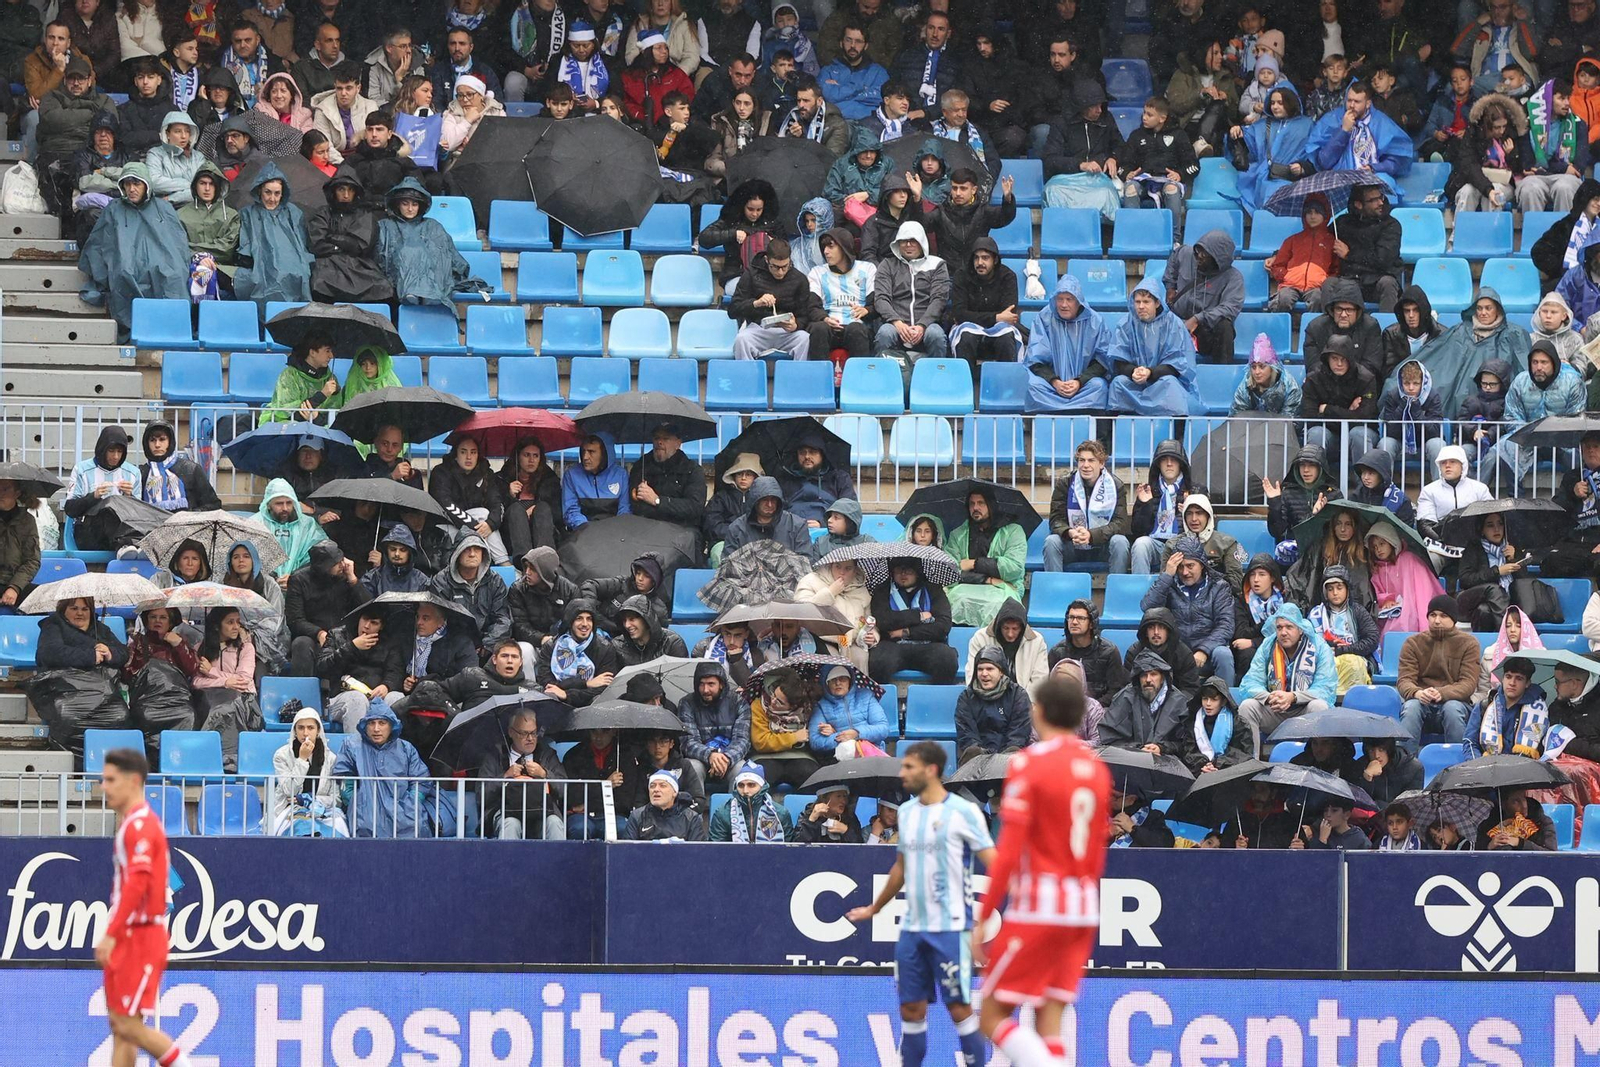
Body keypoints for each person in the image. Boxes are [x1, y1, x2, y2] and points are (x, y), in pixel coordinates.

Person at [967, 676, 1108, 1065]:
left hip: (1041, 905)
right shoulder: (1096, 770)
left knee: (991, 1014)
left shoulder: (1030, 764)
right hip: (1082, 906)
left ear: (1038, 712)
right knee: (1049, 1020)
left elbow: (1009, 850)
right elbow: (1097, 850)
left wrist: (984, 915)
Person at [846, 740, 994, 1067]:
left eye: (909, 767)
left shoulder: (963, 812)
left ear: (931, 770)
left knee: (958, 1008)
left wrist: (983, 921)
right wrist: (875, 908)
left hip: (951, 928)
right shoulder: (908, 813)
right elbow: (901, 867)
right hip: (912, 930)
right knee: (911, 1009)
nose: (903, 773)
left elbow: (995, 864)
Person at [93, 749, 198, 1066]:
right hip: (132, 935)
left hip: (140, 936)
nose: (104, 787)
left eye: (111, 780)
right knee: (120, 1027)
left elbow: (138, 882)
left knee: (128, 1025)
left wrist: (112, 933)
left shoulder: (140, 825)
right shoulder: (133, 823)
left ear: (133, 780)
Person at [77, 163, 187, 337]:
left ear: (146, 185)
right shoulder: (114, 209)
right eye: (127, 184)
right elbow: (99, 242)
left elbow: (177, 242)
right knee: (124, 273)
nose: (132, 189)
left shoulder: (163, 208)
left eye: (137, 184)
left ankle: (172, 331)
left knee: (174, 275)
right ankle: (136, 328)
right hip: (126, 262)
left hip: (162, 262)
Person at [1140, 535, 1237, 686]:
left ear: (1202, 565)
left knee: (1223, 654)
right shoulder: (1169, 585)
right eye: (1180, 566)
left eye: (1190, 566)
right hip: (1176, 651)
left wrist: (1204, 650)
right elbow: (1148, 609)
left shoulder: (1219, 586)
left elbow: (1226, 625)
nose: (1185, 572)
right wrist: (1167, 575)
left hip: (1208, 652)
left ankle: (1226, 698)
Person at [1237, 604, 1338, 741]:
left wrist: (1293, 697)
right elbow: (1251, 681)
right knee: (1247, 706)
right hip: (1274, 709)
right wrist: (1269, 697)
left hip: (1304, 710)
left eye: (1289, 627)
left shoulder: (1319, 646)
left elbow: (1325, 687)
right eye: (1279, 627)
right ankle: (1251, 755)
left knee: (1319, 706)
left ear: (1300, 629)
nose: (1283, 632)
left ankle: (1314, 754)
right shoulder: (1268, 645)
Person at [376, 177, 482, 305]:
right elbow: (382, 256)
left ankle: (426, 291)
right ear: (398, 204)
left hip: (431, 275)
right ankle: (416, 291)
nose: (410, 209)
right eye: (405, 204)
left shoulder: (433, 225)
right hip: (398, 276)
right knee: (408, 252)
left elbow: (447, 254)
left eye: (414, 204)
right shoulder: (386, 226)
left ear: (420, 206)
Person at [1397, 595, 1481, 753]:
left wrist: (1441, 693)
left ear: (1453, 619)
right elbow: (1404, 680)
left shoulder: (1469, 644)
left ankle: (1461, 762)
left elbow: (1468, 683)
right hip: (1422, 702)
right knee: (1411, 707)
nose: (1437, 620)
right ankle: (1404, 760)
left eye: (1443, 616)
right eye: (1433, 615)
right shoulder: (1412, 643)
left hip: (1455, 703)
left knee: (1452, 709)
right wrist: (1417, 692)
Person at [1106, 285, 1199, 418]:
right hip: (1134, 381)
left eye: (1146, 302)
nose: (1141, 306)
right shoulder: (1125, 323)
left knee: (1171, 383)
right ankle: (1114, 431)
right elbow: (1119, 359)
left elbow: (1178, 364)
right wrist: (1133, 371)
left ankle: (1178, 431)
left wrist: (1150, 372)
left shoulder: (1173, 324)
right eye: (1137, 302)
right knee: (1118, 382)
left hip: (1162, 381)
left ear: (1157, 303)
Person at [1021, 274, 1109, 413]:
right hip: (1052, 386)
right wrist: (1055, 382)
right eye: (1060, 299)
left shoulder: (1095, 321)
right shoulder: (1044, 318)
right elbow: (1036, 361)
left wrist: (1079, 381)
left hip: (1083, 386)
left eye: (1069, 299)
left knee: (1098, 386)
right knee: (1035, 386)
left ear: (1078, 301)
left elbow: (1102, 361)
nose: (1063, 305)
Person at [305, 165, 392, 303]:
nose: (346, 195)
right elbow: (317, 244)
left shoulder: (364, 214)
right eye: (341, 189)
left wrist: (332, 238)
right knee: (320, 282)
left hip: (359, 266)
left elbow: (360, 246)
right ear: (334, 191)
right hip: (328, 264)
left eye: (350, 190)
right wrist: (343, 245)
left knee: (382, 286)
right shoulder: (323, 213)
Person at [728, 237, 825, 361]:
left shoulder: (799, 279)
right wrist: (756, 303)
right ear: (766, 260)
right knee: (741, 339)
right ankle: (747, 373)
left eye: (785, 266)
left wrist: (796, 325)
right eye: (775, 267)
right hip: (758, 328)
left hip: (788, 333)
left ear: (790, 260)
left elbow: (805, 314)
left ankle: (799, 373)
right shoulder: (751, 274)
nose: (780, 272)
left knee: (804, 338)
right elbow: (733, 310)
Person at [1041, 79, 1124, 220]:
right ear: (1082, 106)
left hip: (1098, 179)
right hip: (1065, 179)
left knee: (1108, 194)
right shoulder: (1061, 123)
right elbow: (1050, 160)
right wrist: (1081, 165)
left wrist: (1113, 158)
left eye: (1101, 105)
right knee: (1052, 192)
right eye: (1094, 106)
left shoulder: (1106, 119)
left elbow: (1120, 146)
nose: (1099, 110)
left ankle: (1103, 231)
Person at [1042, 438, 1129, 573]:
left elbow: (1120, 524)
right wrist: (1069, 532)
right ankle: (1054, 585)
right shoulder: (1065, 484)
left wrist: (1091, 535)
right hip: (1073, 544)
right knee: (1051, 541)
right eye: (1082, 460)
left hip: (1102, 546)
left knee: (1120, 541)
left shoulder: (1116, 486)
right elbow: (1056, 520)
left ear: (1101, 464)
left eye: (1091, 460)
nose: (1085, 465)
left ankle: (1118, 585)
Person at [945, 483, 1025, 628]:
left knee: (998, 605)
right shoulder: (957, 534)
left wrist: (974, 564)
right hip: (964, 588)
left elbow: (1014, 568)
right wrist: (988, 579)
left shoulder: (1014, 531)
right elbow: (948, 573)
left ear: (991, 505)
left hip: (1003, 589)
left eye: (981, 503)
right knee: (956, 602)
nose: (975, 508)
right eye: (972, 504)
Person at [285, 541, 370, 676]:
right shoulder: (299, 580)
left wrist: (353, 580)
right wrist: (318, 633)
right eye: (336, 563)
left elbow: (368, 609)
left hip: (343, 634)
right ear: (324, 567)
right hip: (314, 635)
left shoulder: (345, 576)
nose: (342, 565)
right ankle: (303, 686)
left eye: (341, 560)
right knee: (301, 643)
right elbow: (295, 620)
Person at [234, 162, 312, 307]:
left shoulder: (293, 213)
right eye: (267, 192)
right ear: (259, 191)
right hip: (260, 267)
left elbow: (301, 245)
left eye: (277, 193)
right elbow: (244, 245)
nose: (272, 199)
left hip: (293, 268)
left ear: (283, 194)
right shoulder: (247, 214)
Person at [866, 557, 957, 682]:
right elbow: (884, 621)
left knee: (947, 659)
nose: (903, 575)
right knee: (878, 661)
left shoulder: (933, 590)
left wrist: (905, 632)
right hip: (892, 645)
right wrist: (918, 616)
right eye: (898, 570)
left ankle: (938, 694)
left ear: (917, 572)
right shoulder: (883, 590)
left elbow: (943, 626)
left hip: (928, 645)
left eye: (908, 571)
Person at [872, 220, 950, 363]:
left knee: (936, 334)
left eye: (913, 240)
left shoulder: (937, 264)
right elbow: (881, 298)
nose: (908, 245)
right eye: (904, 241)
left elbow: (939, 299)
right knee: (885, 333)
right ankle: (882, 374)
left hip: (927, 325)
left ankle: (936, 374)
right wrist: (897, 323)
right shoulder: (887, 265)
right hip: (896, 324)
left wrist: (922, 325)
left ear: (922, 242)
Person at [317, 603, 403, 732]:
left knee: (396, 697)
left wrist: (387, 685)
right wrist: (352, 647)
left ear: (381, 626)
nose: (366, 626)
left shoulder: (390, 642)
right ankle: (356, 745)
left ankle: (392, 744)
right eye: (365, 619)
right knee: (357, 699)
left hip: (376, 696)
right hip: (341, 696)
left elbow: (396, 671)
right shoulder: (338, 634)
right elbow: (322, 667)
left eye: (374, 623)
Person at [1164, 228, 1243, 362]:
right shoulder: (1186, 254)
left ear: (1217, 259)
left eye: (1205, 255)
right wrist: (1170, 286)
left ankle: (1222, 371)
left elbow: (1230, 307)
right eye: (1198, 251)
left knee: (1225, 326)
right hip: (1178, 323)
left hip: (1205, 330)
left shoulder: (1233, 278)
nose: (1199, 257)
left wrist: (1198, 319)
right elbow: (1174, 258)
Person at [1299, 336, 1379, 469]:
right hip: (1329, 436)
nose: (1339, 364)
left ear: (1350, 359)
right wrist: (1349, 413)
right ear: (1327, 359)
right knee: (1317, 433)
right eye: (1334, 359)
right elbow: (1309, 417)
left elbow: (1366, 417)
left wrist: (1327, 410)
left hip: (1359, 436)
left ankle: (1363, 482)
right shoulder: (1313, 379)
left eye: (1343, 359)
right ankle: (1318, 481)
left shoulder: (1366, 378)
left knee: (1359, 433)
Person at [1129, 439, 1202, 576]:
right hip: (1156, 545)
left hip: (1184, 547)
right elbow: (1137, 531)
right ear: (1158, 464)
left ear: (1181, 463)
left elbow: (1205, 530)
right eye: (1164, 460)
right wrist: (1145, 505)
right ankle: (1140, 588)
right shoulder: (1148, 490)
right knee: (1141, 544)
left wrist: (1189, 513)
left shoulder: (1196, 490)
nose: (1169, 464)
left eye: (1174, 459)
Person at [269, 707, 347, 835]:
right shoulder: (281, 755)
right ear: (295, 730)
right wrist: (302, 759)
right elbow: (289, 790)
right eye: (301, 728)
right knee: (303, 826)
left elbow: (336, 798)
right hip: (291, 809)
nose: (305, 733)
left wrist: (309, 799)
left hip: (323, 808)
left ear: (318, 731)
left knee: (338, 824)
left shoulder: (331, 759)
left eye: (310, 728)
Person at [676, 661, 749, 793]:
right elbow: (688, 741)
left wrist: (726, 758)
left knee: (741, 769)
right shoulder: (687, 703)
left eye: (711, 684)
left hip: (730, 759)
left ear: (721, 684)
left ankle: (735, 806)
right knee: (692, 767)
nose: (705, 690)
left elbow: (742, 739)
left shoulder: (738, 702)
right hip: (700, 759)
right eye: (701, 684)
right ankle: (695, 805)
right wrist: (710, 755)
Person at [1100, 647, 1190, 754]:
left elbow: (1186, 744)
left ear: (1162, 678)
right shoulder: (1125, 697)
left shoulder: (1178, 701)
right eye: (1144, 675)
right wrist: (1138, 749)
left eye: (1153, 674)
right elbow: (1110, 738)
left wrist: (1162, 748)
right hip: (1131, 758)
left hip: (1167, 759)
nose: (1148, 680)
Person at [1330, 184, 1402, 312]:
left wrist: (1349, 254)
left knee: (1388, 283)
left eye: (1381, 197)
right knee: (1329, 284)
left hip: (1378, 279)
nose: (1380, 203)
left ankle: (1389, 324)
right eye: (1373, 200)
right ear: (1358, 204)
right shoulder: (1342, 223)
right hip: (1350, 279)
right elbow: (1324, 240)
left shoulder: (1391, 225)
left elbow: (1382, 260)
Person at [954, 645, 1031, 762]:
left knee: (1014, 751)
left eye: (989, 669)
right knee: (972, 751)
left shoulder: (1018, 695)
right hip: (977, 759)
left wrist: (1000, 759)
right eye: (980, 669)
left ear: (1001, 672)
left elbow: (1018, 734)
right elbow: (967, 734)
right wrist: (984, 755)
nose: (984, 674)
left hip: (1007, 758)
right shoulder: (966, 697)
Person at [1466, 653, 1549, 758]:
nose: (1512, 683)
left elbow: (1541, 749)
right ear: (1502, 679)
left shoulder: (1540, 712)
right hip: (1486, 765)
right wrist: (1478, 765)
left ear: (1527, 683)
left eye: (1519, 678)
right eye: (1508, 677)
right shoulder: (1484, 706)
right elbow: (1470, 742)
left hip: (1523, 767)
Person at [1265, 193, 1338, 312]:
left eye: (1317, 212)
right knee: (1284, 298)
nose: (1312, 216)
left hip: (1317, 287)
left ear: (1325, 215)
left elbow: (1336, 269)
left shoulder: (1332, 242)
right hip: (1290, 285)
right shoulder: (1292, 240)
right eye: (1309, 212)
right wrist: (1285, 276)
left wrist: (1325, 282)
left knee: (1318, 299)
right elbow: (1279, 264)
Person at [1048, 599, 1128, 702]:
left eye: (1080, 618)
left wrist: (1093, 707)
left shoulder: (1109, 652)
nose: (1074, 622)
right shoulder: (1057, 652)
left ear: (1091, 623)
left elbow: (1115, 691)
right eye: (1071, 617)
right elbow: (1050, 689)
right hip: (1065, 708)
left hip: (1102, 708)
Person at [1415, 445, 1494, 548]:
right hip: (1441, 546)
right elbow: (1425, 524)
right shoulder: (1429, 491)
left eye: (1453, 462)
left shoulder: (1480, 489)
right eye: (1443, 462)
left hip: (1475, 545)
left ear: (1462, 465)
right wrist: (1444, 544)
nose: (1447, 465)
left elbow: (1491, 518)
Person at [1532, 176, 1600, 286]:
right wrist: (1560, 268)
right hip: (1565, 282)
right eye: (1596, 199)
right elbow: (1539, 251)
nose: (1599, 204)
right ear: (1585, 198)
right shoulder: (1566, 225)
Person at [1381, 287, 1445, 401]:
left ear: (1424, 311)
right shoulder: (1391, 334)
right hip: (1403, 387)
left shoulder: (1441, 334)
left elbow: (1444, 370)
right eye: (1407, 311)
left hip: (1433, 387)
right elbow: (1390, 372)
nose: (1411, 315)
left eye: (1416, 310)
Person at [561, 432, 630, 529]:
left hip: (615, 531)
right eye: (583, 451)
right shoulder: (572, 475)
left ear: (605, 454)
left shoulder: (621, 475)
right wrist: (588, 528)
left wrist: (614, 530)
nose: (585, 457)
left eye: (591, 452)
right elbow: (570, 511)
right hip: (583, 531)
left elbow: (625, 510)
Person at [621, 767, 707, 839]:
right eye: (652, 786)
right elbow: (628, 850)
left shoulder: (691, 819)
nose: (656, 790)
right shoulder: (637, 816)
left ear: (675, 792)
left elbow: (698, 852)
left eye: (662, 786)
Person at [1476, 786, 1557, 850]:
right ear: (1504, 804)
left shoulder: (1542, 822)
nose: (1524, 806)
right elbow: (1476, 855)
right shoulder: (1487, 825)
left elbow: (1550, 855)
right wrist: (1489, 846)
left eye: (1524, 798)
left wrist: (1520, 843)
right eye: (1515, 801)